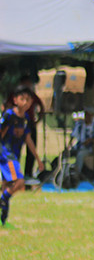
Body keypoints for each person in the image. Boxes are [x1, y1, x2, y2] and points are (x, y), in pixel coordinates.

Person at [0, 87, 45, 225]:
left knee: (7, 184)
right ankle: (3, 200)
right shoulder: (9, 115)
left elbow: (28, 139)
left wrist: (38, 158)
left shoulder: (25, 118)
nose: (25, 102)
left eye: (28, 100)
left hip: (15, 155)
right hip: (6, 154)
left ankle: (3, 219)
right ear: (15, 100)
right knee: (19, 182)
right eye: (22, 99)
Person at [70, 106, 94, 177]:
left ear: (92, 115)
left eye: (88, 115)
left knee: (80, 155)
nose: (86, 116)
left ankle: (76, 175)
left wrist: (89, 140)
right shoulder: (80, 124)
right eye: (85, 114)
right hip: (78, 147)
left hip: (89, 148)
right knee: (65, 155)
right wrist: (69, 145)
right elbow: (73, 136)